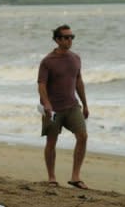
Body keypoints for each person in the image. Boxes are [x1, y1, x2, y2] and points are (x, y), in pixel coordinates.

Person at [37, 24, 89, 189]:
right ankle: (52, 177)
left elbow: (78, 81)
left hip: (73, 106)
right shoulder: (47, 61)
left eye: (72, 37)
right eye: (66, 37)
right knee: (51, 142)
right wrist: (46, 103)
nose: (70, 40)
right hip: (53, 109)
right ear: (57, 40)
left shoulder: (76, 58)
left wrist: (85, 105)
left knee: (83, 136)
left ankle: (75, 177)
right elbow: (41, 84)